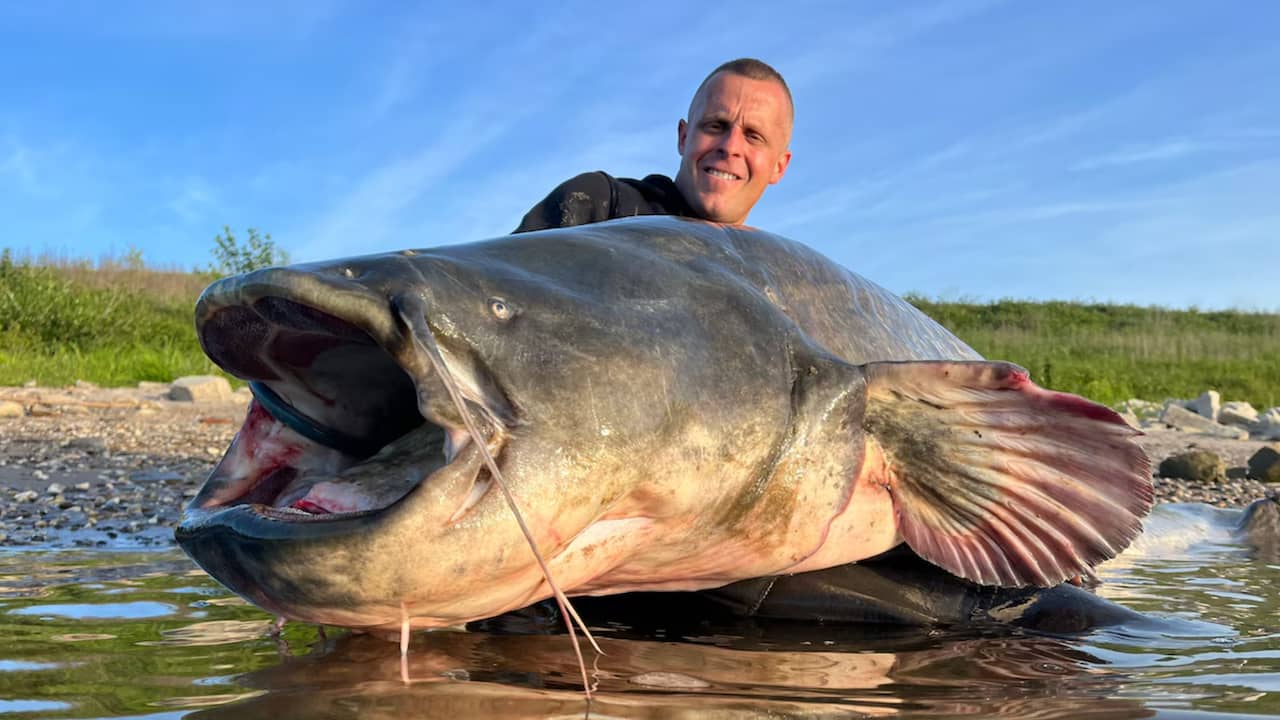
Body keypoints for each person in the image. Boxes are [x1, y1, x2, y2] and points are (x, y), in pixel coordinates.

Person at [514, 57, 793, 233]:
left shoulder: (787, 285)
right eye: (715, 126)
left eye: (753, 136)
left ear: (779, 167)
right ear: (684, 137)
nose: (730, 146)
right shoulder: (598, 207)